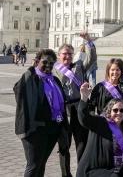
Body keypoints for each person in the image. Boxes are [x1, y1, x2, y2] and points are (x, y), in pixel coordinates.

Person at [14, 48, 69, 177]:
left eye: (51, 63)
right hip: (34, 129)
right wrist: (31, 69)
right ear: (37, 61)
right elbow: (18, 90)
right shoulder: (31, 78)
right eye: (45, 62)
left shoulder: (54, 80)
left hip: (52, 129)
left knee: (41, 163)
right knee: (33, 165)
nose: (48, 65)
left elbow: (62, 103)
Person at [53, 32, 97, 177]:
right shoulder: (54, 70)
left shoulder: (79, 66)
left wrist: (89, 41)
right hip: (62, 109)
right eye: (65, 54)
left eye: (70, 54)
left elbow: (92, 58)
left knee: (81, 144)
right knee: (64, 145)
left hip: (78, 107)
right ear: (59, 55)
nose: (67, 57)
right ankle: (66, 174)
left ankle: (82, 172)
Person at [77, 83, 123, 177]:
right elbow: (84, 119)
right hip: (94, 171)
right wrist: (84, 98)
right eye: (115, 110)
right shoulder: (101, 123)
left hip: (115, 171)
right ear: (109, 111)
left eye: (122, 110)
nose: (119, 113)